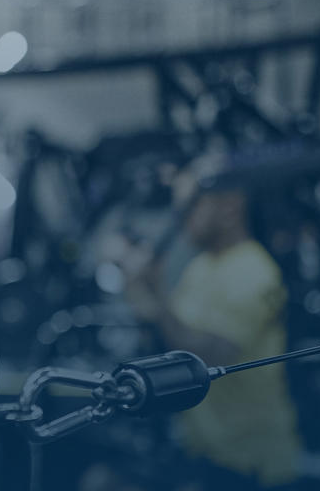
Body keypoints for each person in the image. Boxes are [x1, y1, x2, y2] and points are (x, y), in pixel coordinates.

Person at [123, 163, 300, 490]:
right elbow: (168, 333)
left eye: (192, 206)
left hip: (253, 466)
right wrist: (139, 287)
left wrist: (158, 294)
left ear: (230, 205)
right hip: (208, 453)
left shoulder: (255, 272)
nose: (181, 218)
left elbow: (209, 357)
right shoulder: (201, 266)